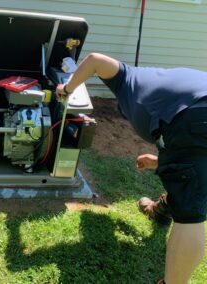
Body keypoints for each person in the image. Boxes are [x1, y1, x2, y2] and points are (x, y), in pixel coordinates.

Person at [56, 53, 207, 284]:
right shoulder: (146, 79)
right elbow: (190, 153)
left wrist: (66, 89)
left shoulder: (125, 81)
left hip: (192, 114)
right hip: (193, 110)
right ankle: (162, 209)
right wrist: (159, 162)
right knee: (191, 176)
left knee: (191, 209)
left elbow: (95, 59)